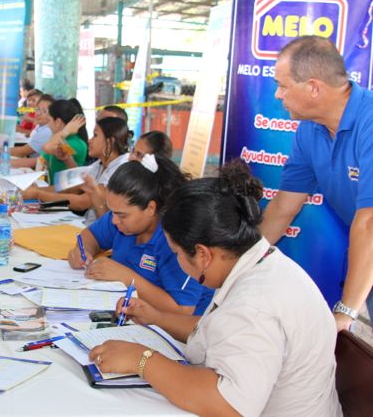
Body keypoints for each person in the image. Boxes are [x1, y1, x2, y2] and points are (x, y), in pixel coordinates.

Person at [90, 161, 341, 416]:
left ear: (202, 254)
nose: (176, 260)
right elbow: (214, 328)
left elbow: (229, 405)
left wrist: (142, 359)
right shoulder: (260, 263)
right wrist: (156, 318)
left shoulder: (254, 305)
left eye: (176, 252)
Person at [260, 35, 373, 331]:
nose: (277, 95)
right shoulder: (309, 131)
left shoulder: (370, 121)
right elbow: (283, 207)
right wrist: (240, 265)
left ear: (313, 87)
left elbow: (370, 221)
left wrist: (346, 313)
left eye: (283, 86)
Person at [68, 154, 213, 315]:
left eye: (122, 215)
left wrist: (125, 276)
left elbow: (182, 310)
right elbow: (90, 235)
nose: (114, 220)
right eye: (112, 212)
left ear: (151, 208)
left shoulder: (175, 240)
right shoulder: (121, 219)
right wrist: (83, 251)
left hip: (179, 332)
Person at [23, 117, 130, 224]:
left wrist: (38, 194)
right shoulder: (100, 164)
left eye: (95, 135)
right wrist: (36, 190)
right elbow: (73, 187)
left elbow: (82, 202)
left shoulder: (120, 167)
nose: (90, 140)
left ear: (109, 142)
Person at [39, 99, 88, 184]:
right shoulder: (57, 137)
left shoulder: (76, 144)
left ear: (58, 121)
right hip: (48, 187)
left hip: (60, 194)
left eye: (49, 120)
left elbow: (47, 148)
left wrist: (66, 131)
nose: (48, 124)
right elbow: (42, 159)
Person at [11, 94, 54, 168]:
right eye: (37, 109)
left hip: (36, 167)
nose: (38, 113)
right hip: (31, 162)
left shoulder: (47, 131)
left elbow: (21, 152)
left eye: (44, 111)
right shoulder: (40, 125)